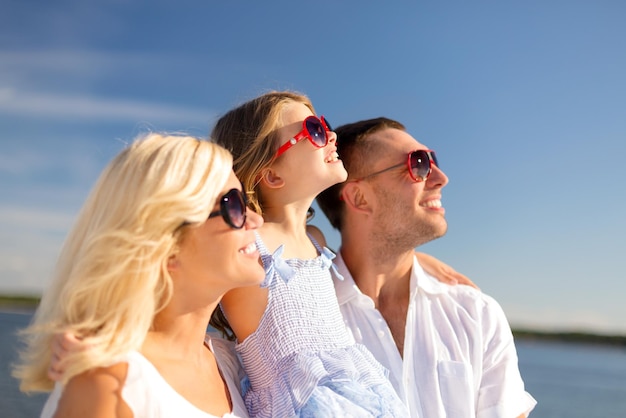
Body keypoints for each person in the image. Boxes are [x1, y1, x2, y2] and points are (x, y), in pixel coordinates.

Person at [12, 133, 264, 417]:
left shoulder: (231, 364)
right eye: (233, 205)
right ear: (167, 244)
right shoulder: (108, 383)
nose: (257, 220)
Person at [316, 117, 538, 418]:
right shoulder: (307, 317)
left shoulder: (476, 314)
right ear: (359, 197)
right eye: (417, 163)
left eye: (432, 160)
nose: (441, 177)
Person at [209, 91, 409, 417]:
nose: (330, 135)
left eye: (325, 125)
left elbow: (372, 258)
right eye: (314, 130)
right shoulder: (247, 242)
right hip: (300, 404)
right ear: (271, 174)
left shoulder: (315, 239)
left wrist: (427, 263)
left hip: (362, 394)